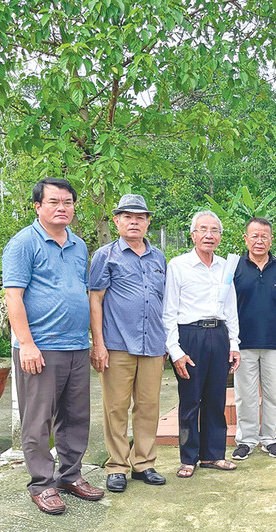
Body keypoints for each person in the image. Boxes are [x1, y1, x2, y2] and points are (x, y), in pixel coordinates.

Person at [2, 177, 104, 515]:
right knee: (38, 419)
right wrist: (27, 344)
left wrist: (92, 342)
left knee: (75, 418)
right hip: (40, 349)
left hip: (75, 345)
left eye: (68, 203)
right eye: (54, 202)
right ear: (37, 206)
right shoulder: (23, 244)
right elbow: (13, 297)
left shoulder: (78, 246)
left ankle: (70, 476)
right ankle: (41, 483)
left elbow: (81, 295)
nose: (62, 208)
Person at [89, 194, 168, 492]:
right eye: (127, 216)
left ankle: (144, 463)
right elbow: (95, 299)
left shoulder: (159, 257)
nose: (134, 222)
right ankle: (117, 465)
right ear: (117, 221)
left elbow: (162, 301)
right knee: (116, 408)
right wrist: (98, 343)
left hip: (152, 345)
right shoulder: (105, 256)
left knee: (148, 406)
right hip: (117, 344)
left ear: (148, 222)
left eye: (140, 217)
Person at [163, 210, 241, 478]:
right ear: (193, 235)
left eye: (215, 231)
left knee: (216, 399)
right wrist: (175, 350)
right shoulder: (178, 265)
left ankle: (213, 455)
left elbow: (231, 309)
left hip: (218, 335)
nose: (209, 235)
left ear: (220, 236)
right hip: (190, 336)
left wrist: (234, 344)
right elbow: (169, 312)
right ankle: (189, 457)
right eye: (203, 230)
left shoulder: (226, 267)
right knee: (190, 400)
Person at [231, 217, 276, 460]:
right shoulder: (235, 267)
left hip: (275, 342)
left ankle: (269, 439)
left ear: (271, 240)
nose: (259, 241)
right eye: (254, 236)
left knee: (272, 394)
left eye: (264, 236)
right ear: (246, 238)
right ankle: (246, 440)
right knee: (245, 395)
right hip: (243, 343)